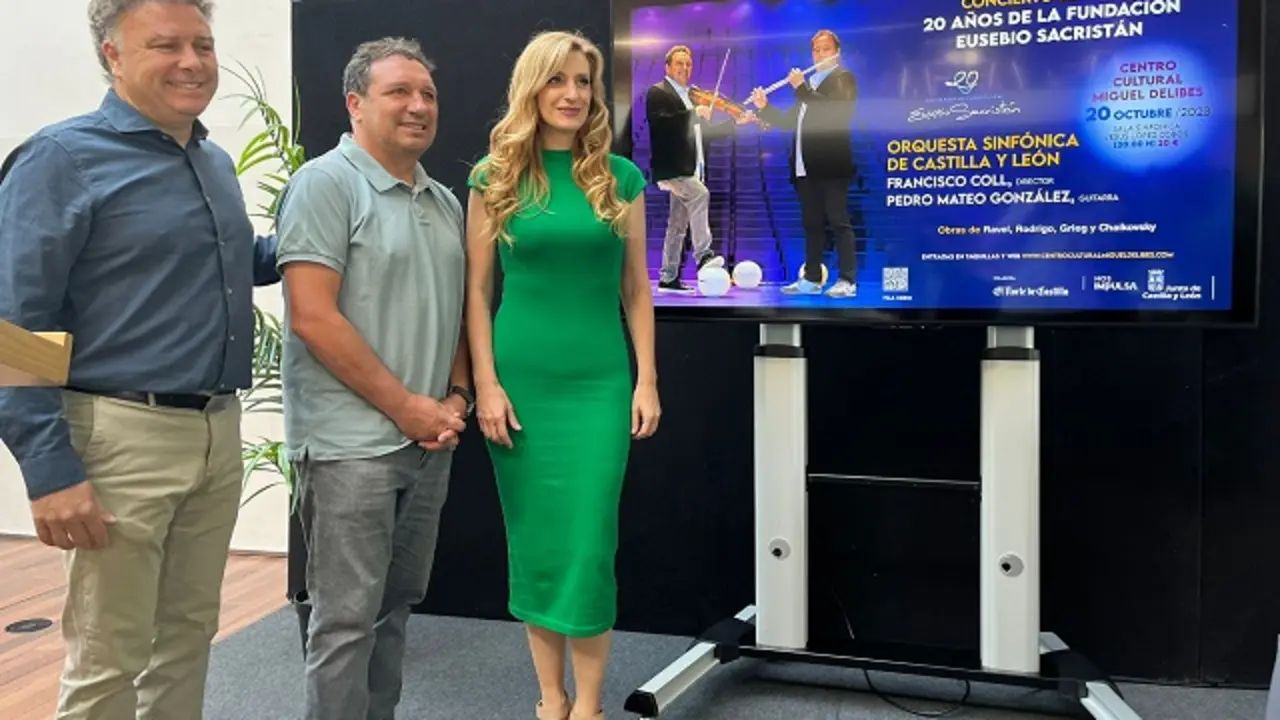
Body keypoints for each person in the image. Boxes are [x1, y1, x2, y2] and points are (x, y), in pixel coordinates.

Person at [0, 1, 280, 718]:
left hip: (215, 431)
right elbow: (15, 325)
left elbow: (232, 265)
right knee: (109, 656)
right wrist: (49, 470)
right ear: (112, 54)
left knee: (188, 636)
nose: (192, 62)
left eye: (203, 45)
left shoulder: (211, 162)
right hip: (119, 438)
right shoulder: (60, 160)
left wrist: (318, 236)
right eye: (166, 45)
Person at [273, 36, 471, 720]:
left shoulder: (443, 201)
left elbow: (456, 312)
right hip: (348, 448)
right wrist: (408, 407)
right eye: (399, 93)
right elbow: (313, 317)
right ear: (355, 104)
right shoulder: (324, 184)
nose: (418, 106)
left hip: (429, 442)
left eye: (428, 95)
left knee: (394, 609)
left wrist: (455, 397)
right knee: (345, 621)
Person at [465, 29, 660, 720]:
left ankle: (590, 706)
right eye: (558, 80)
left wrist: (646, 379)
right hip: (521, 385)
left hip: (599, 384)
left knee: (589, 541)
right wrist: (486, 385)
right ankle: (551, 701)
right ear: (532, 87)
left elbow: (636, 290)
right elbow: (476, 292)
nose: (573, 94)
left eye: (583, 81)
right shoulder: (492, 177)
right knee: (539, 540)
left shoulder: (621, 178)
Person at [749, 29, 859, 297]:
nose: (820, 54)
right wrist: (764, 107)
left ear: (837, 53)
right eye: (816, 50)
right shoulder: (811, 86)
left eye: (826, 49)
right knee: (812, 225)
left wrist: (801, 88)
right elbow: (789, 122)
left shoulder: (842, 78)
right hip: (804, 166)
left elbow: (833, 113)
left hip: (832, 165)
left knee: (839, 221)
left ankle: (847, 280)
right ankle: (811, 278)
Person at [644, 44, 751, 293]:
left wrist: (735, 122)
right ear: (667, 67)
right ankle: (704, 254)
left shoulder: (691, 97)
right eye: (679, 63)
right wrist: (692, 113)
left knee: (677, 225)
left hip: (691, 166)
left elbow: (706, 133)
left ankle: (668, 277)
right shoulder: (657, 92)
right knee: (700, 194)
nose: (684, 68)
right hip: (672, 166)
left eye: (688, 64)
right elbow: (661, 123)